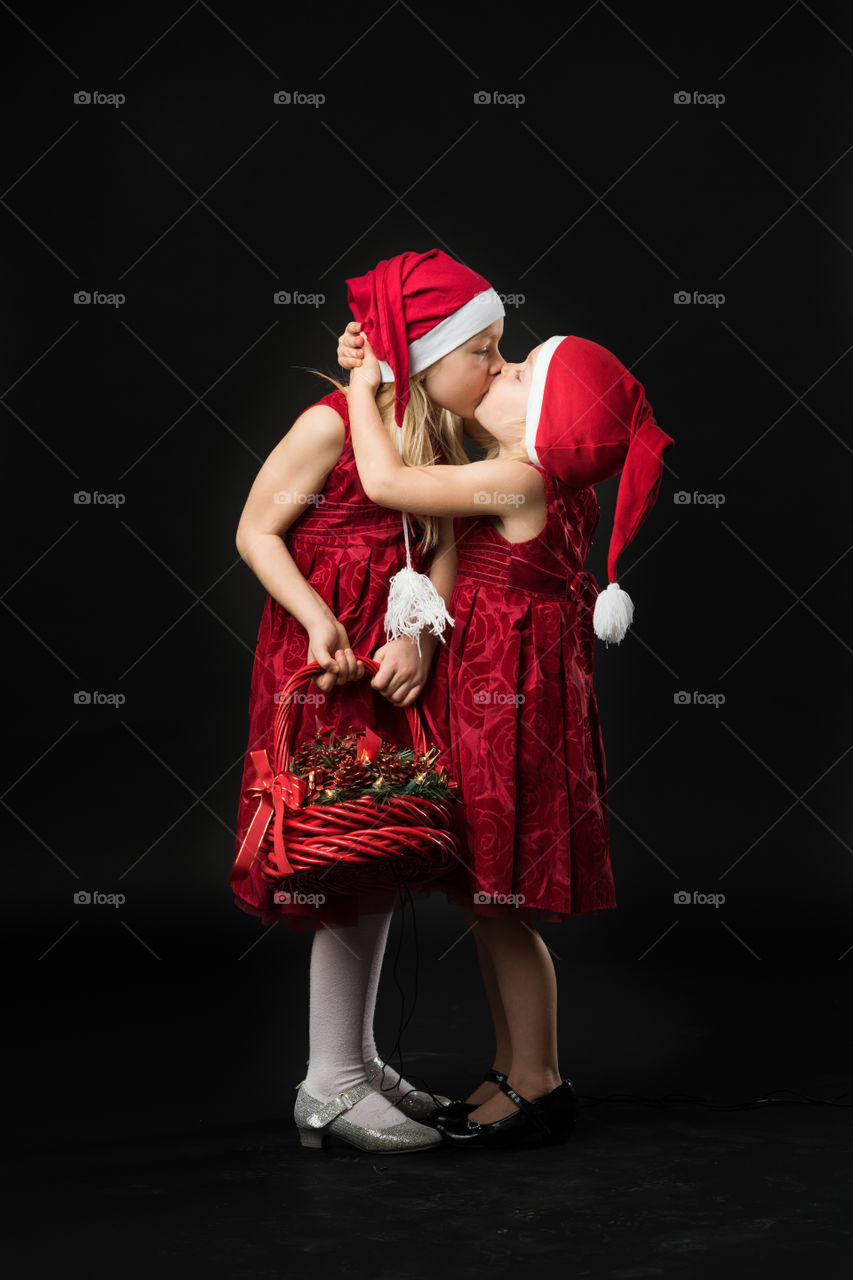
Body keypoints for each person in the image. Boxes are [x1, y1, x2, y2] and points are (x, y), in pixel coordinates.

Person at [343, 328, 675, 1147]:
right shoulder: (541, 477)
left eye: (519, 371)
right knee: (488, 903)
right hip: (513, 709)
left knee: (500, 905)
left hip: (508, 722)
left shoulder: (519, 480)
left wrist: (360, 381)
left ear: (548, 428)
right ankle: (512, 1070)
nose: (498, 366)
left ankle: (536, 1079)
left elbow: (386, 482)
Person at [229, 248, 510, 1153]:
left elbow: (438, 549)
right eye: (484, 350)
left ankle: (350, 1059)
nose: (497, 368)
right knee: (341, 860)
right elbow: (255, 529)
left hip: (388, 661)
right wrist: (318, 621)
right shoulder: (327, 426)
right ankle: (329, 1084)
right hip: (327, 663)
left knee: (380, 851)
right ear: (423, 352)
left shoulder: (429, 438)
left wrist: (422, 639)